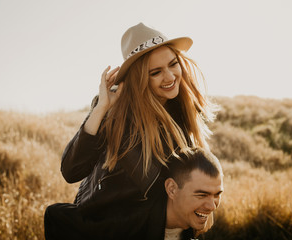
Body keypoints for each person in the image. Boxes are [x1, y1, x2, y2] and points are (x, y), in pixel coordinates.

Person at [44, 22, 217, 240]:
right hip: (116, 227)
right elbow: (71, 170)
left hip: (163, 226)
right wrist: (102, 109)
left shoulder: (183, 109)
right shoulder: (118, 111)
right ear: (139, 77)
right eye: (155, 72)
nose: (170, 77)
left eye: (173, 64)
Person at [164, 148, 224, 240]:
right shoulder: (136, 230)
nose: (212, 207)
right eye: (202, 195)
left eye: (217, 195)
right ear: (172, 189)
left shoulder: (203, 232)